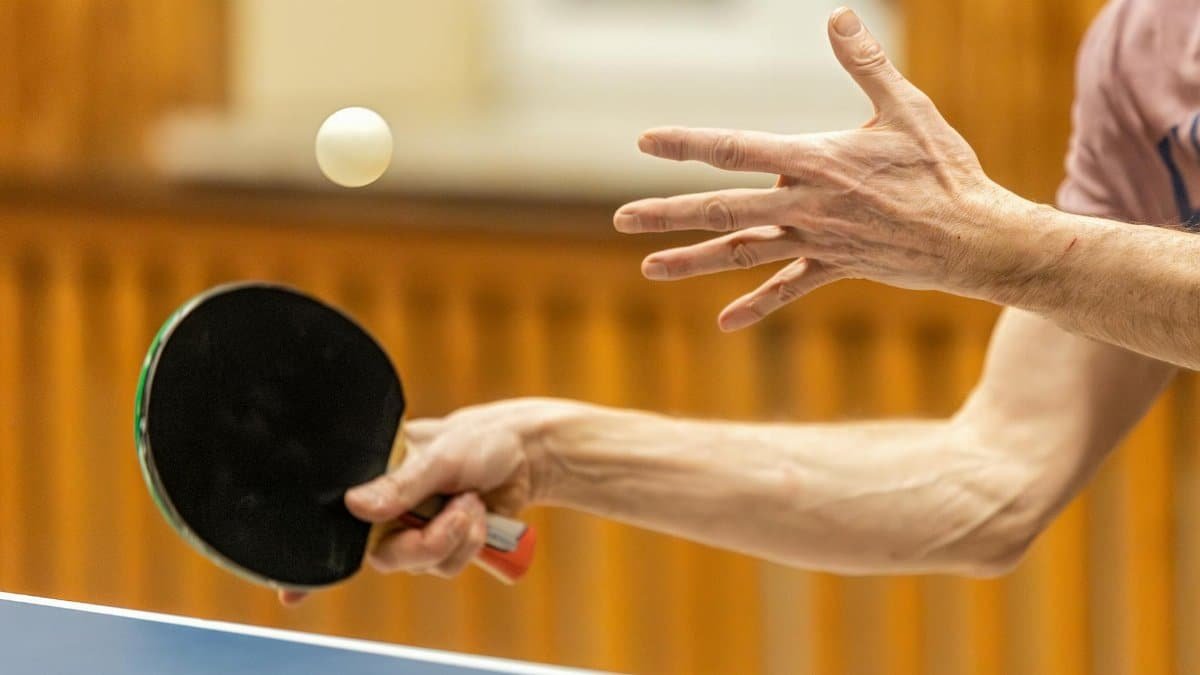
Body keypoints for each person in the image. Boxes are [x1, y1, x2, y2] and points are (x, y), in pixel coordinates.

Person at [282, 2, 1199, 603]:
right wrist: (552, 448)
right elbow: (992, 477)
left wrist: (997, 248)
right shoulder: (1141, 54)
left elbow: (1012, 262)